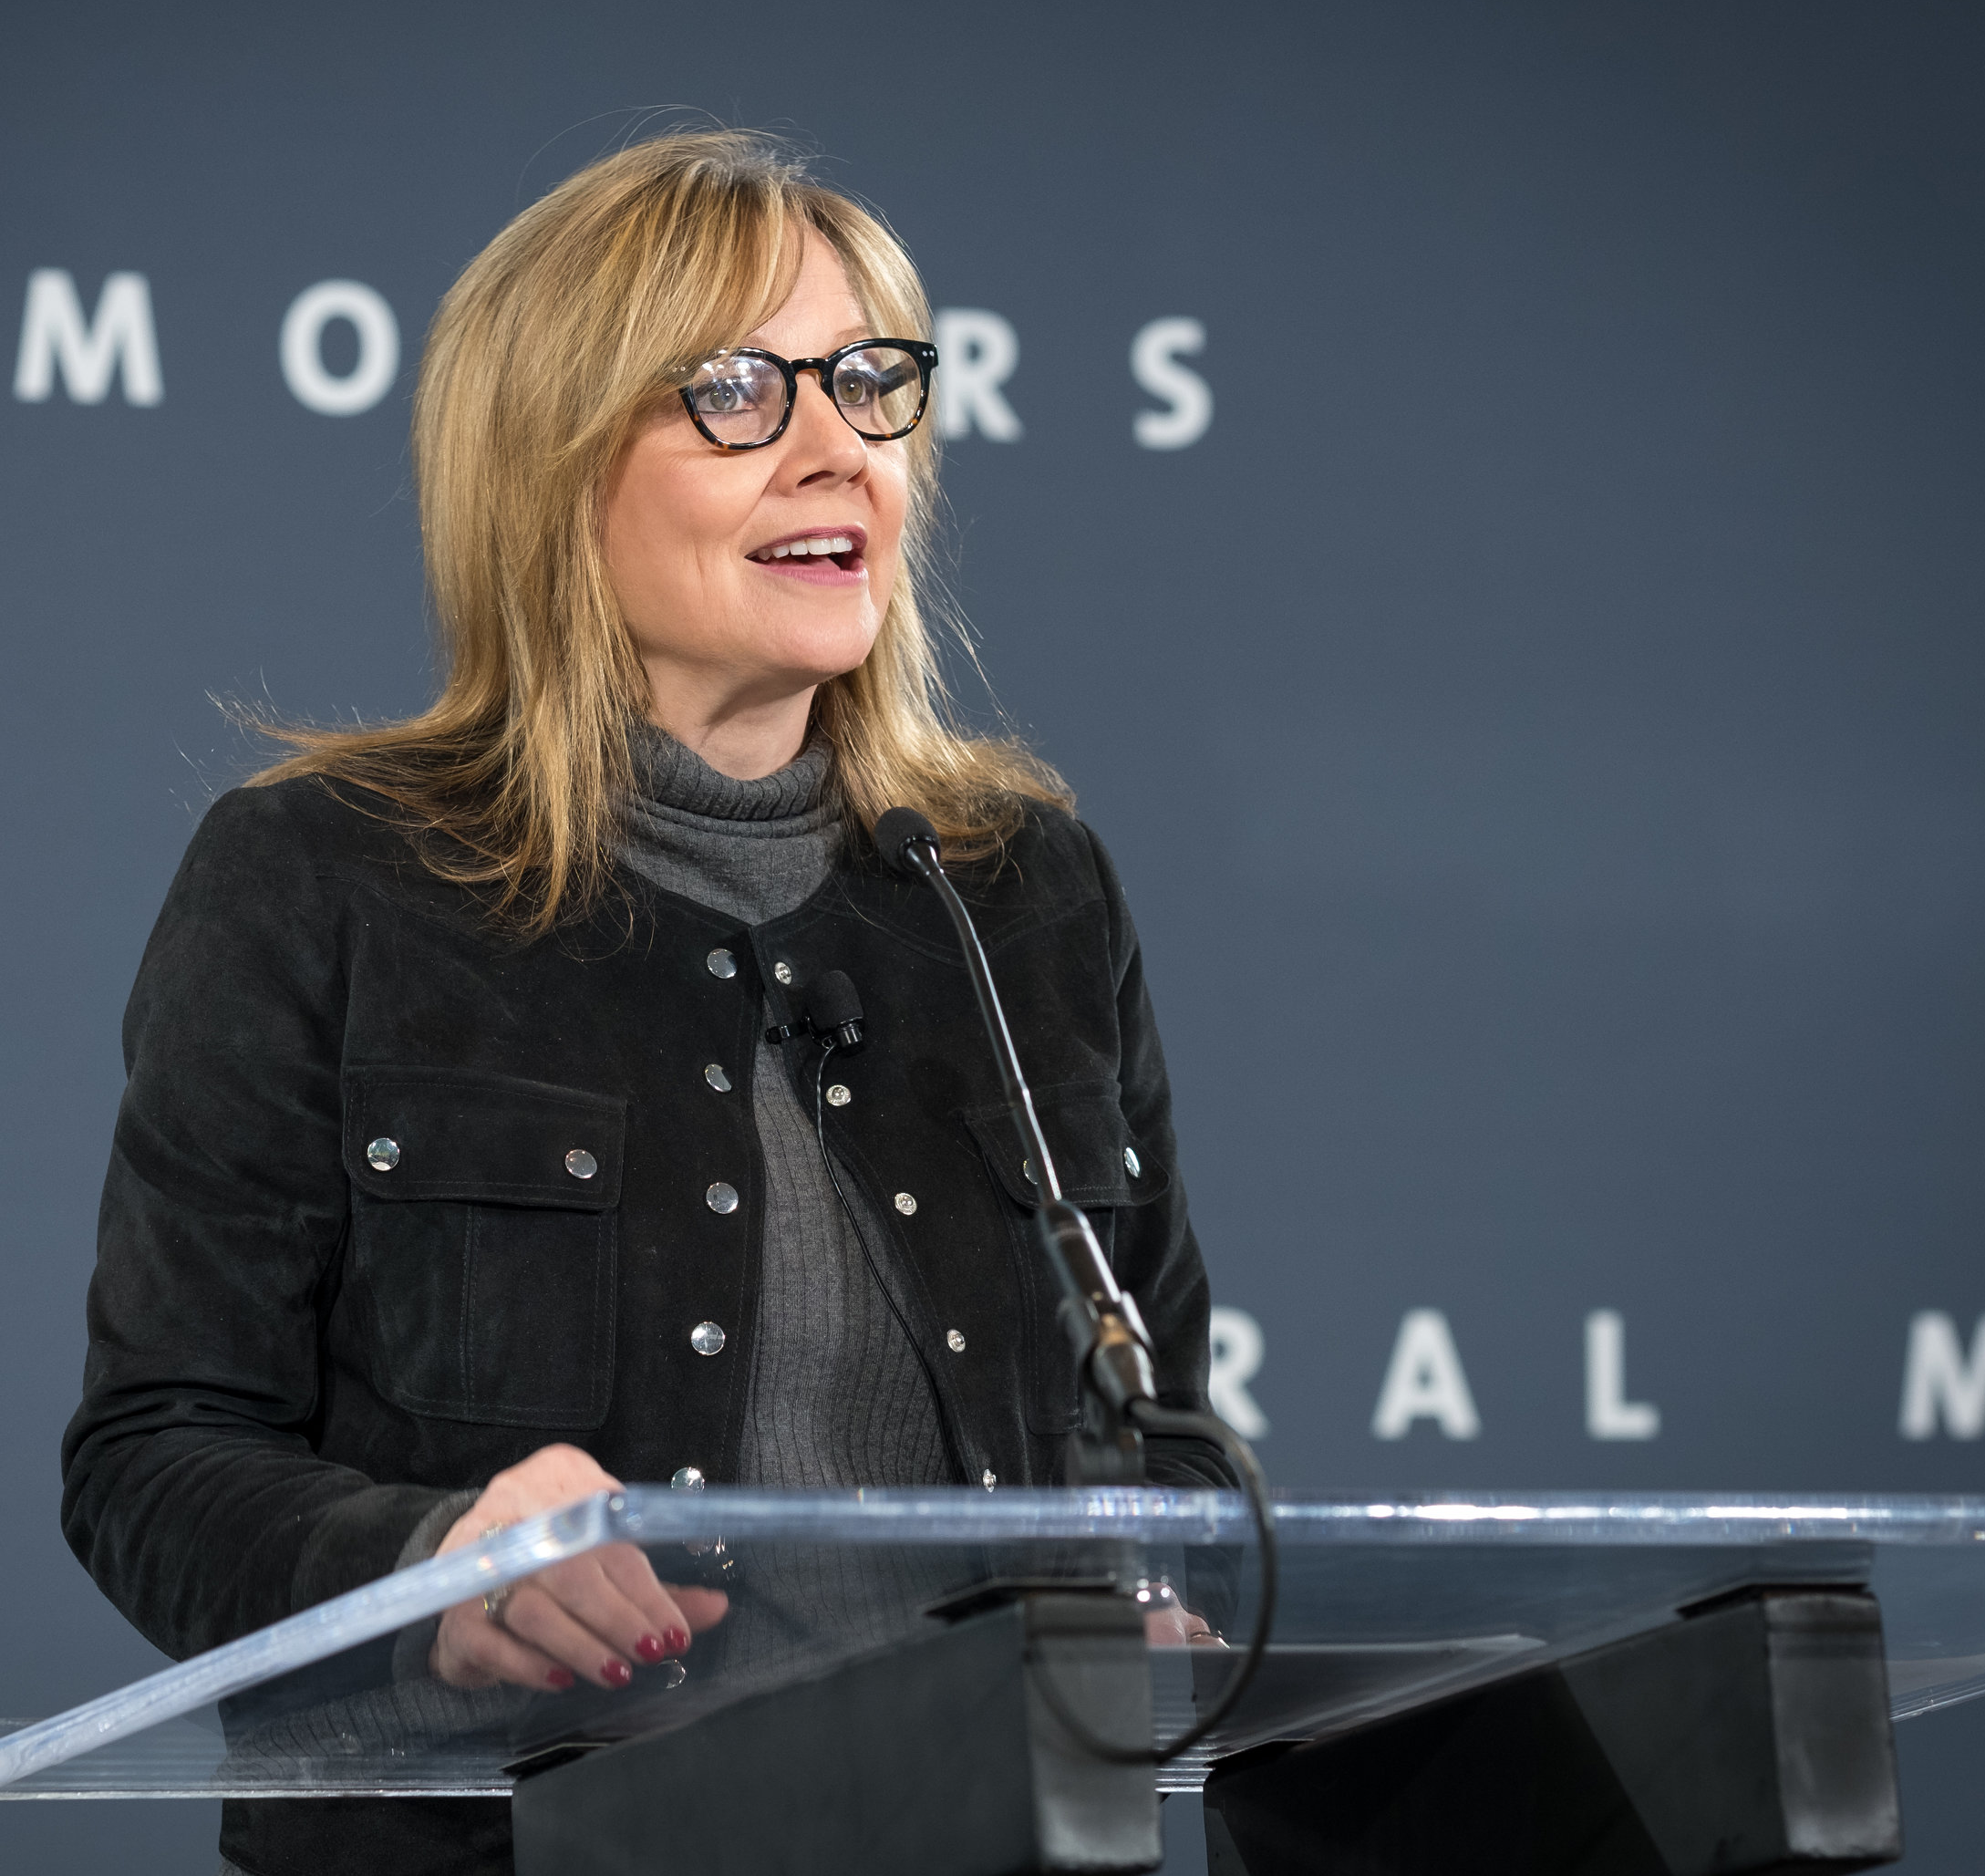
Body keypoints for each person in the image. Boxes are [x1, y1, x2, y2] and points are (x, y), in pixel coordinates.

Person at [59, 129, 1231, 1876]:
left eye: (868, 381)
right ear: (549, 469)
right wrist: (428, 1559)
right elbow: (156, 1459)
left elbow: (1177, 1450)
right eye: (739, 392)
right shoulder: (325, 877)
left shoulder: (1024, 892)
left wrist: (1145, 1595)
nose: (839, 448)